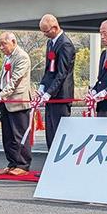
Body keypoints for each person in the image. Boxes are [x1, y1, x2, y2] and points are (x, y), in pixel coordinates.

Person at [0, 32, 33, 175]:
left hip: (18, 102)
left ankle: (23, 165)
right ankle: (12, 163)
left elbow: (15, 81)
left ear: (13, 42)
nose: (1, 47)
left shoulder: (22, 57)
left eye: (4, 44)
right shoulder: (7, 57)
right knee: (7, 136)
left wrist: (0, 96)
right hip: (5, 102)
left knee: (19, 135)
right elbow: (1, 79)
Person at [37, 14, 76, 147]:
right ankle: (51, 156)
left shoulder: (65, 44)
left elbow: (62, 73)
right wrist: (42, 87)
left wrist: (49, 92)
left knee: (60, 133)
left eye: (46, 31)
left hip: (61, 96)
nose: (45, 34)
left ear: (54, 28)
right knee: (50, 132)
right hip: (51, 96)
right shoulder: (50, 43)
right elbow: (49, 69)